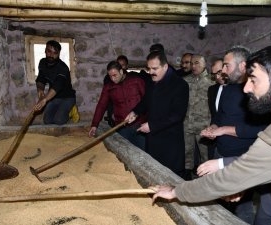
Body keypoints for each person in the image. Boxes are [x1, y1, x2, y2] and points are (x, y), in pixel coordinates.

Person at [150, 45, 271, 225]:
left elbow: (237, 174)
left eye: (254, 80)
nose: (247, 88)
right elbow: (270, 164)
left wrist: (176, 191)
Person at [126, 50, 189, 178]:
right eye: (149, 68)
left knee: (171, 175)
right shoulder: (152, 81)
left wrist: (152, 126)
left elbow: (177, 115)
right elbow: (146, 101)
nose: (151, 72)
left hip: (170, 140)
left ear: (165, 66)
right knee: (154, 170)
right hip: (153, 138)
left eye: (155, 68)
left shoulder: (180, 85)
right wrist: (135, 112)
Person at [89, 61, 146, 150]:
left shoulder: (136, 81)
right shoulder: (109, 87)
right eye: (110, 76)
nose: (112, 79)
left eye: (115, 75)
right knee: (124, 151)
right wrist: (94, 124)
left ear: (121, 71)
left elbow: (147, 101)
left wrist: (149, 122)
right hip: (122, 126)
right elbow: (101, 105)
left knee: (143, 152)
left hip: (140, 125)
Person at [183, 54, 213, 180]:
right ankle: (187, 176)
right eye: (192, 63)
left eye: (197, 63)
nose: (193, 66)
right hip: (187, 124)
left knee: (204, 154)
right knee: (187, 152)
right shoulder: (185, 80)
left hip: (204, 125)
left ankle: (205, 178)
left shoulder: (212, 82)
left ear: (204, 64)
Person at [33, 40, 76, 125]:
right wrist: (40, 90)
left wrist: (45, 99)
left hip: (67, 98)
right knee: (47, 121)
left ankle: (71, 111)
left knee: (58, 121)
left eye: (55, 53)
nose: (51, 55)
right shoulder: (42, 62)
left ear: (59, 54)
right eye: (49, 51)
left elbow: (57, 85)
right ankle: (61, 111)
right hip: (54, 98)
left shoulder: (63, 68)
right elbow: (41, 79)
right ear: (45, 50)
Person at [207, 58, 225, 160]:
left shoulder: (240, 90)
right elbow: (215, 114)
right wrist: (212, 127)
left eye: (219, 72)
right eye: (214, 74)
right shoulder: (212, 90)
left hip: (232, 139)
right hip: (214, 138)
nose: (217, 77)